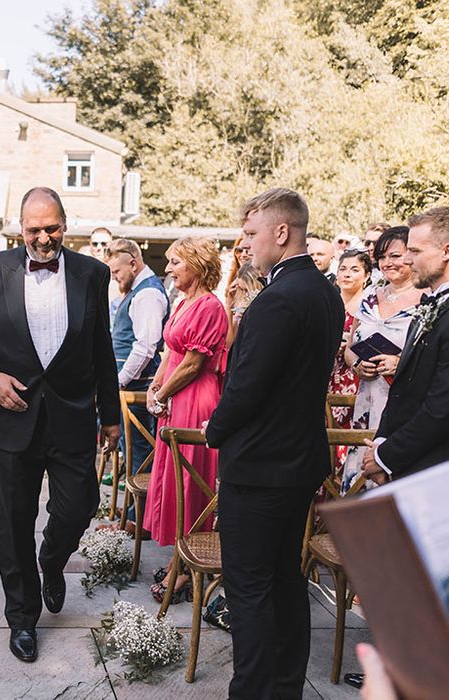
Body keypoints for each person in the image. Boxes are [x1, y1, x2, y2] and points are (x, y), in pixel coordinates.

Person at [0, 187, 120, 663]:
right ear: (20, 229)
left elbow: (102, 349)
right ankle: (23, 619)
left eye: (51, 229)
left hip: (71, 417)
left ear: (65, 225)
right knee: (13, 524)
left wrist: (110, 414)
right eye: (34, 230)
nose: (43, 238)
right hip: (13, 418)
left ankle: (52, 560)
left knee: (80, 505)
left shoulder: (93, 273)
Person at [204, 188, 344, 700]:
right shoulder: (324, 292)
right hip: (299, 462)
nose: (245, 245)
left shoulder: (277, 298)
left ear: (281, 232)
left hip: (259, 466)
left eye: (250, 233)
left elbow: (246, 387)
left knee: (250, 587)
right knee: (286, 578)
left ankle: (253, 690)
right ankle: (286, 687)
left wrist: (214, 430)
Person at [144, 236, 228, 603]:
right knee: (173, 480)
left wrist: (163, 395)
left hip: (196, 401)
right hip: (175, 398)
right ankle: (179, 555)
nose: (168, 268)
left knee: (190, 481)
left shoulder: (210, 306)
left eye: (175, 261)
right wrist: (155, 387)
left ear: (196, 263)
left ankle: (186, 570)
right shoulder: (182, 302)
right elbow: (171, 354)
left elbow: (194, 364)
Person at [362, 206, 449, 483]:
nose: (408, 260)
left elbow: (441, 408)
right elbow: (404, 388)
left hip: (435, 468)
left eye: (416, 251)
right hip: (409, 462)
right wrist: (381, 441)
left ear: (446, 251)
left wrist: (386, 457)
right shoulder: (429, 306)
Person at [341, 227, 419, 493]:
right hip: (367, 399)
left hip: (404, 402)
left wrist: (400, 362)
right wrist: (357, 365)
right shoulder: (370, 296)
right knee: (361, 483)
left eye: (395, 255)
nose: (388, 263)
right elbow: (350, 348)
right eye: (382, 256)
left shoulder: (427, 299)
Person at [102, 238, 169, 534]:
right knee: (131, 452)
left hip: (137, 386)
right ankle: (132, 514)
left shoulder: (148, 295)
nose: (115, 278)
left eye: (117, 271)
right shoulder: (137, 291)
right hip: (129, 385)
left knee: (140, 453)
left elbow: (145, 346)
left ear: (133, 262)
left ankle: (139, 520)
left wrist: (117, 381)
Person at [328, 249, 371, 435]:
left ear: (367, 275)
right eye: (343, 268)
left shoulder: (368, 307)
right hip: (327, 374)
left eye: (354, 269)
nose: (347, 274)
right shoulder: (328, 302)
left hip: (354, 376)